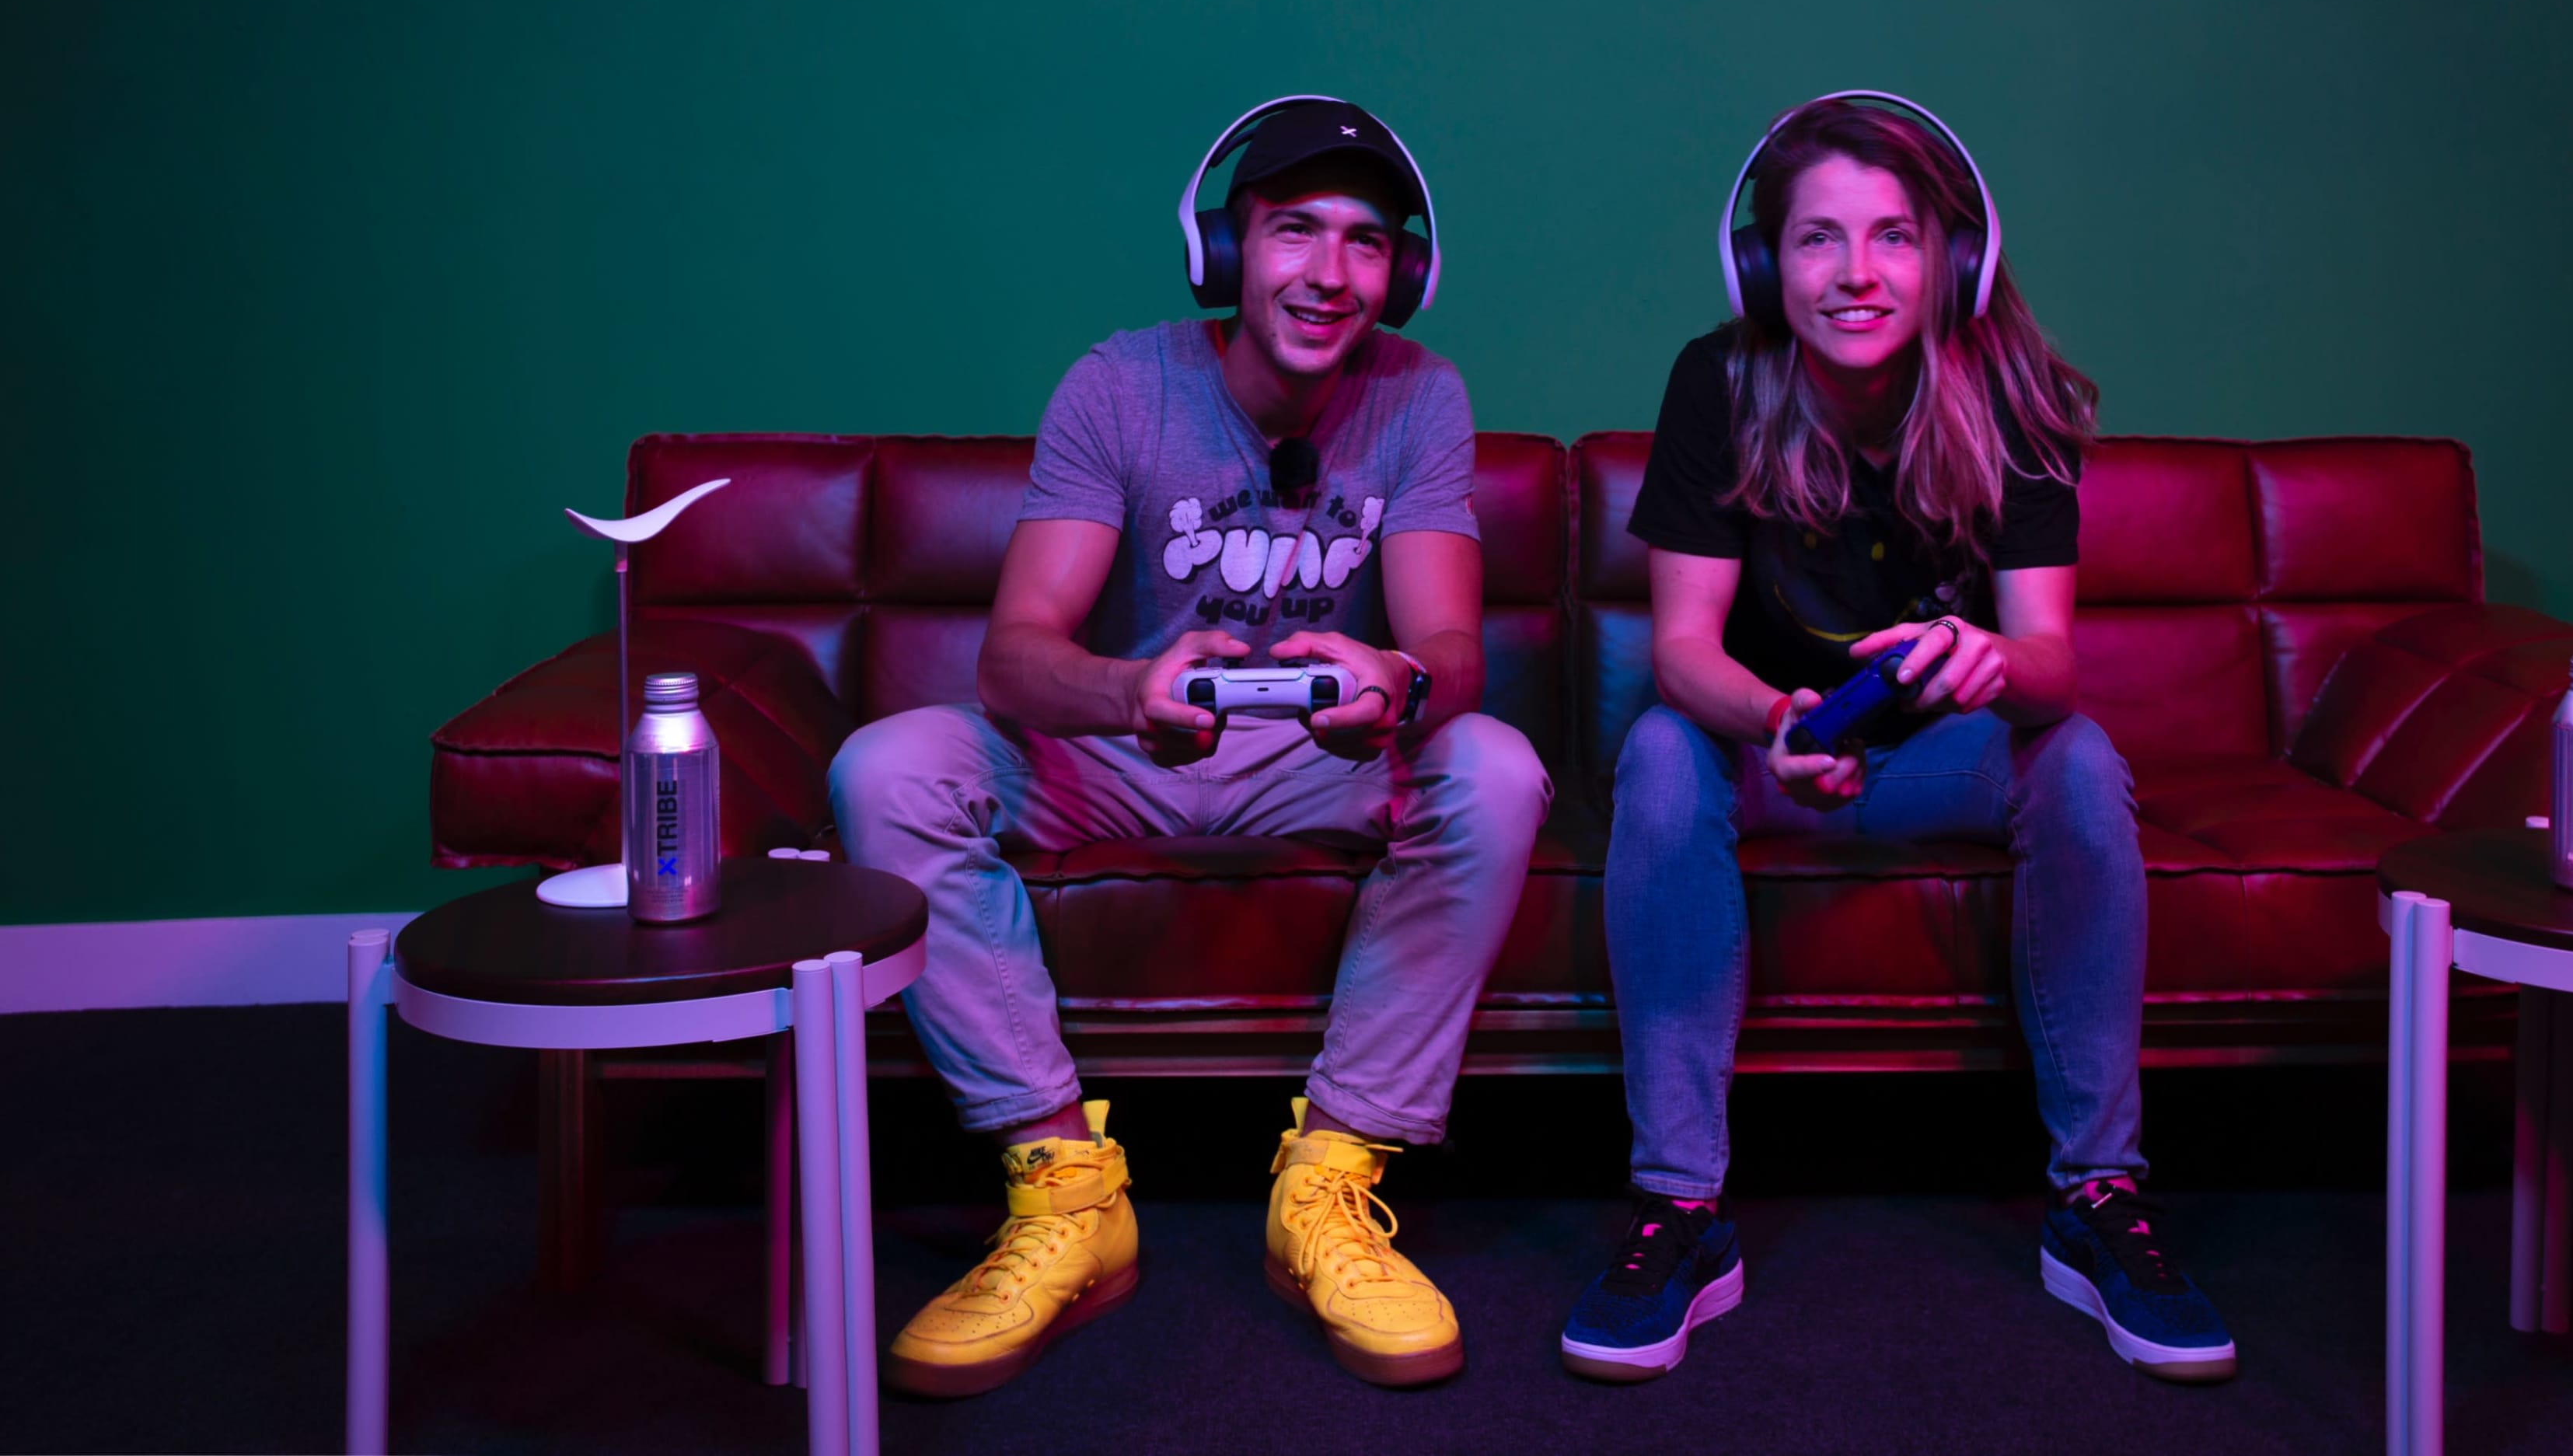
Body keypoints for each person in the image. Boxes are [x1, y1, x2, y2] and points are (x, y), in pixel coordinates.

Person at [831, 97, 1551, 1396]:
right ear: (1227, 250)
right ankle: (1063, 1190)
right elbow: (1014, 656)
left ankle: (1329, 1179)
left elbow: (1453, 652)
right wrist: (1129, 689)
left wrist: (1388, 681)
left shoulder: (1420, 395)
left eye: (1365, 243)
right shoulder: (1120, 384)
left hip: (1316, 761)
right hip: (1127, 751)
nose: (1329, 274)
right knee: (888, 768)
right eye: (1293, 233)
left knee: (1494, 767)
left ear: (1405, 274)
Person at [1555, 93, 2236, 1385]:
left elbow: (2051, 664)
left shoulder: (2017, 399)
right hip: (1764, 752)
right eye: (1817, 239)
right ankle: (1681, 1211)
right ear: (1767, 263)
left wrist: (1995, 661)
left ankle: (2100, 1200)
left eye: (1893, 238)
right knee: (1654, 748)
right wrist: (1775, 719)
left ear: (1954, 260)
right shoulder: (1720, 378)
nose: (1855, 275)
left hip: (1942, 757)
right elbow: (1685, 648)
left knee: (2080, 752)